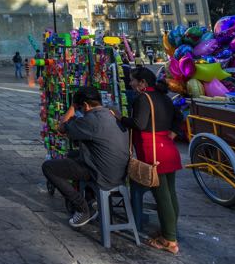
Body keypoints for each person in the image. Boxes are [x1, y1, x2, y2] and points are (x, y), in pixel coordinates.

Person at [41, 86, 130, 228]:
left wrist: (72, 107)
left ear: (86, 105)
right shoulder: (113, 112)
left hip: (102, 174)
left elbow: (61, 128)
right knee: (72, 155)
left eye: (80, 108)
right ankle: (89, 199)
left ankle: (82, 207)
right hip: (120, 170)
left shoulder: (90, 120)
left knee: (49, 167)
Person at [125, 67, 184, 254]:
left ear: (143, 83)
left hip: (153, 151)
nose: (131, 84)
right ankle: (170, 231)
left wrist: (120, 117)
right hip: (166, 147)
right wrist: (172, 134)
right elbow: (179, 116)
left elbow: (139, 124)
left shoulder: (143, 99)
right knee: (170, 192)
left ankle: (169, 240)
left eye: (133, 80)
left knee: (161, 195)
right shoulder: (163, 97)